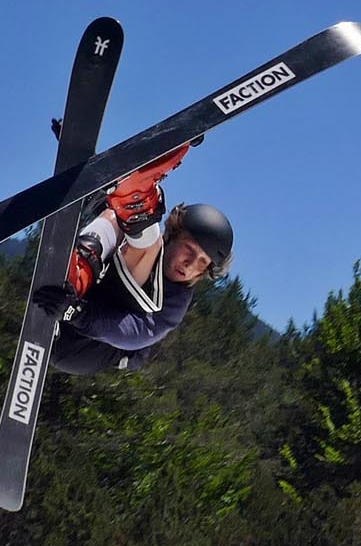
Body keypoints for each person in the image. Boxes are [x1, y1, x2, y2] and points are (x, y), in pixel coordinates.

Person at [32, 141, 233, 375]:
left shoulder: (177, 301)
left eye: (202, 262)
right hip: (69, 298)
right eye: (189, 248)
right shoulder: (149, 242)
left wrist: (77, 313)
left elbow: (134, 333)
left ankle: (138, 199)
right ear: (175, 234)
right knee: (115, 216)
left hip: (85, 348)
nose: (190, 264)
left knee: (146, 241)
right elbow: (106, 210)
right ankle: (77, 271)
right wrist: (85, 169)